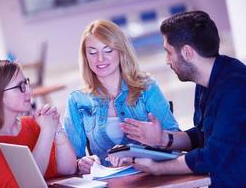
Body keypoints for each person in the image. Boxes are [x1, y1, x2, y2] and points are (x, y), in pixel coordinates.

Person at [116, 11, 246, 187]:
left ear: (187, 52)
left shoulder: (234, 87)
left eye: (169, 52)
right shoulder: (208, 79)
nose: (167, 61)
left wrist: (157, 168)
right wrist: (162, 139)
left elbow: (211, 157)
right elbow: (202, 136)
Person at [63, 20, 179, 174]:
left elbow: (175, 140)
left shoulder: (147, 88)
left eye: (108, 50)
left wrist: (134, 153)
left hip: (150, 177)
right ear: (85, 56)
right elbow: (71, 160)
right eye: (92, 52)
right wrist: (81, 163)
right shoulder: (77, 101)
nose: (100, 59)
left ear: (121, 51)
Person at [0, 59, 77, 187]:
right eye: (20, 87)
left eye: (26, 83)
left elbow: (68, 169)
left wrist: (56, 127)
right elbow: (28, 185)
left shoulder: (31, 124)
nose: (29, 91)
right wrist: (46, 132)